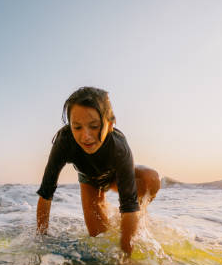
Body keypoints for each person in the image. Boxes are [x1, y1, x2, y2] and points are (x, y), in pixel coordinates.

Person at [36, 87, 160, 255]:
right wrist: (40, 239)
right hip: (90, 181)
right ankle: (114, 216)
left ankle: (137, 220)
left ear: (110, 124)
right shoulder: (64, 142)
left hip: (116, 177)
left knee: (151, 179)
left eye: (94, 126)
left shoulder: (119, 147)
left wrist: (125, 261)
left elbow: (129, 206)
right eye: (77, 127)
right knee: (99, 242)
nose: (85, 136)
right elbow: (46, 193)